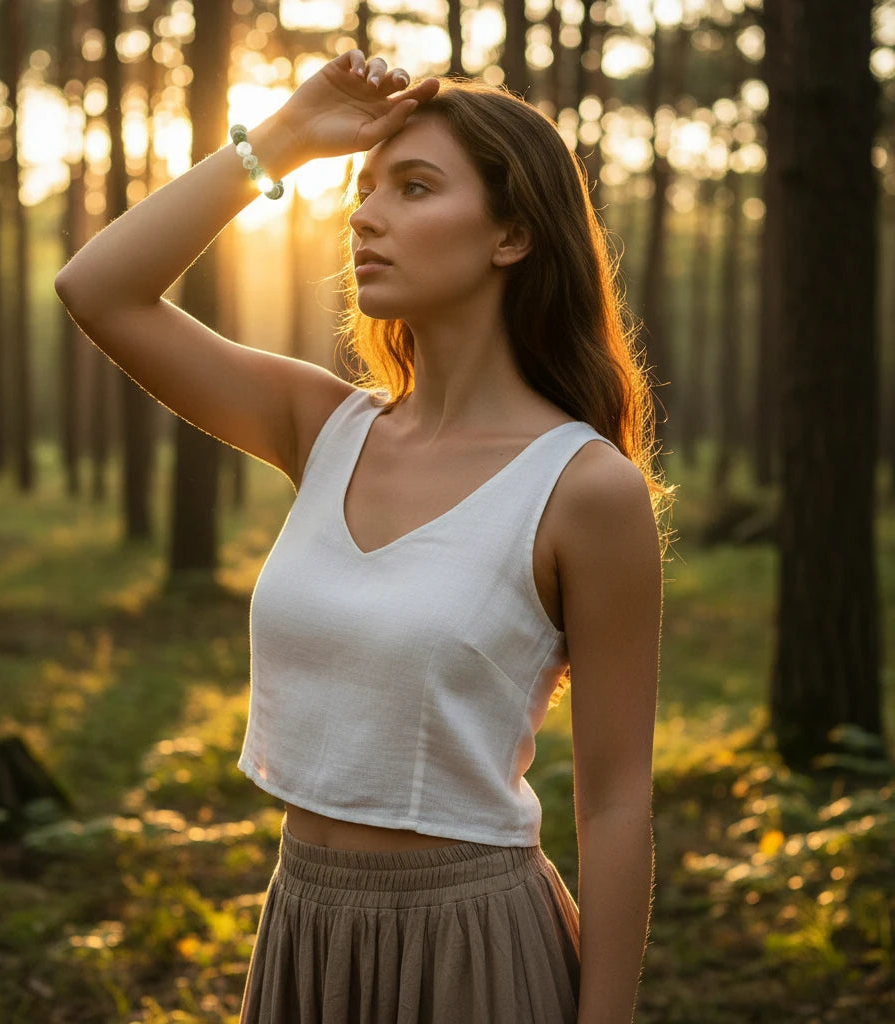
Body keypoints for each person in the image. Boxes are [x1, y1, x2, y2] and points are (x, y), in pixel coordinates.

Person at [56, 48, 666, 1024]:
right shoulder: (322, 424)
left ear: (512, 234)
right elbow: (99, 289)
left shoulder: (585, 488)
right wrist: (287, 134)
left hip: (474, 943)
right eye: (363, 189)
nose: (364, 215)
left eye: (413, 187)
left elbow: (615, 804)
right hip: (306, 928)